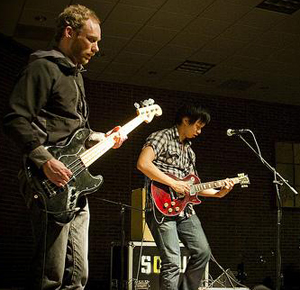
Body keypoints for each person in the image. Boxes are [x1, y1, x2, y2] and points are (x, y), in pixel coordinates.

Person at [3, 4, 126, 290]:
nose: (96, 48)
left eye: (98, 42)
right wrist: (45, 161)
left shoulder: (76, 75)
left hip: (74, 180)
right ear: (69, 33)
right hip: (47, 177)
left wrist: (101, 137)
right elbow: (15, 118)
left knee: (78, 275)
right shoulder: (43, 67)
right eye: (91, 39)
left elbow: (72, 132)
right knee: (50, 274)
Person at [137, 103, 235, 290]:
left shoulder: (190, 151)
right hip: (161, 209)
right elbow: (143, 163)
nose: (199, 131)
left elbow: (192, 187)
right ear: (185, 120)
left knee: (202, 252)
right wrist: (173, 183)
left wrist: (218, 193)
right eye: (197, 126)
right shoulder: (162, 137)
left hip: (185, 210)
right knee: (172, 262)